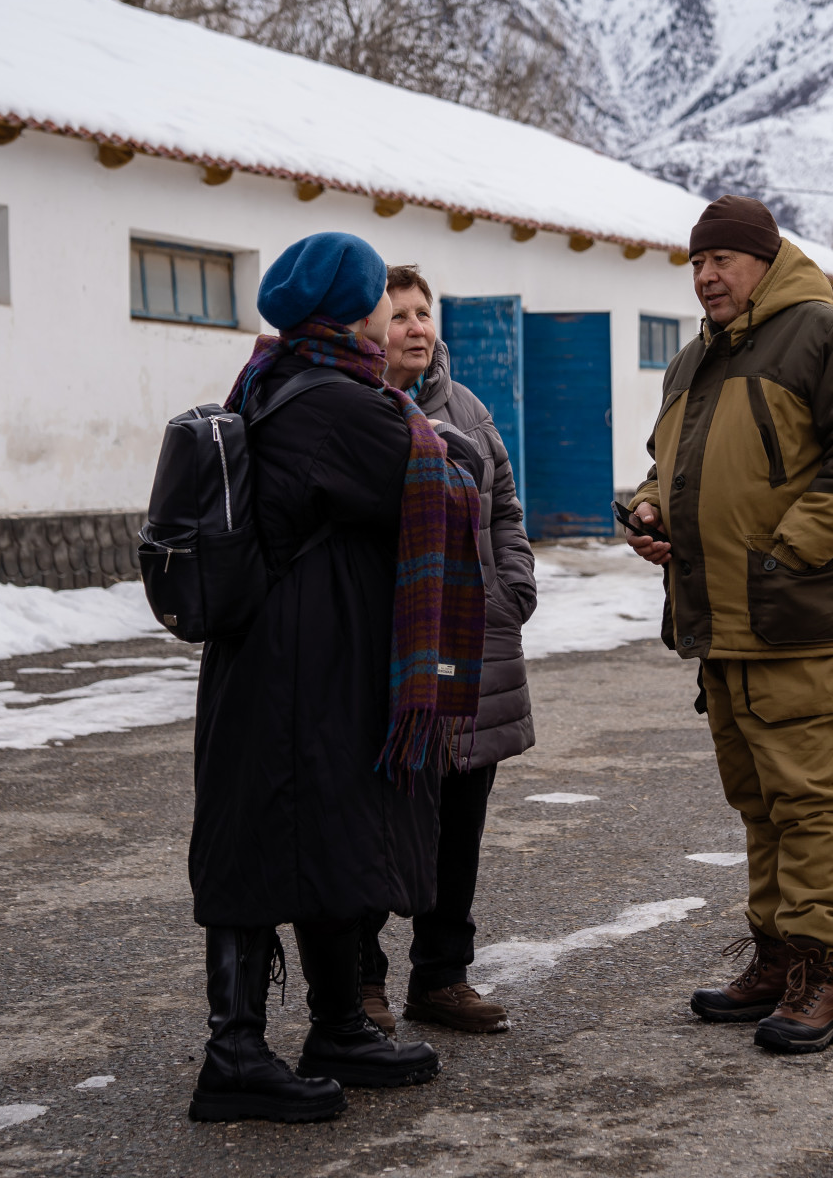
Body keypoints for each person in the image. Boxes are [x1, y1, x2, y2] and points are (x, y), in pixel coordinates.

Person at [187, 232, 486, 1123]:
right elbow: (442, 474)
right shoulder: (335, 403)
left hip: (293, 658)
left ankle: (336, 1027)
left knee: (320, 829)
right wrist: (448, 450)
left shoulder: (277, 377)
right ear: (350, 309)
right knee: (262, 841)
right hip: (294, 663)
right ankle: (233, 1053)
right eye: (372, 300)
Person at [623, 195, 833, 1054]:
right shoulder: (693, 361)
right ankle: (777, 959)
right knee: (759, 806)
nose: (706, 276)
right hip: (723, 625)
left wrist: (788, 550)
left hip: (801, 619)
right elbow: (663, 461)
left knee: (813, 802)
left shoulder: (826, 337)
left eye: (723, 260)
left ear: (764, 260)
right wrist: (645, 506)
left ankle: (825, 978)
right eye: (697, 263)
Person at [359, 264, 537, 1036]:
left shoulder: (465, 408)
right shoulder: (357, 409)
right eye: (399, 316)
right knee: (372, 820)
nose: (417, 328)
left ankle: (441, 977)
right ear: (370, 329)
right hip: (384, 652)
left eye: (425, 313)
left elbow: (504, 505)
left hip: (470, 648)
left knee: (459, 823)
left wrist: (511, 589)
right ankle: (360, 984)